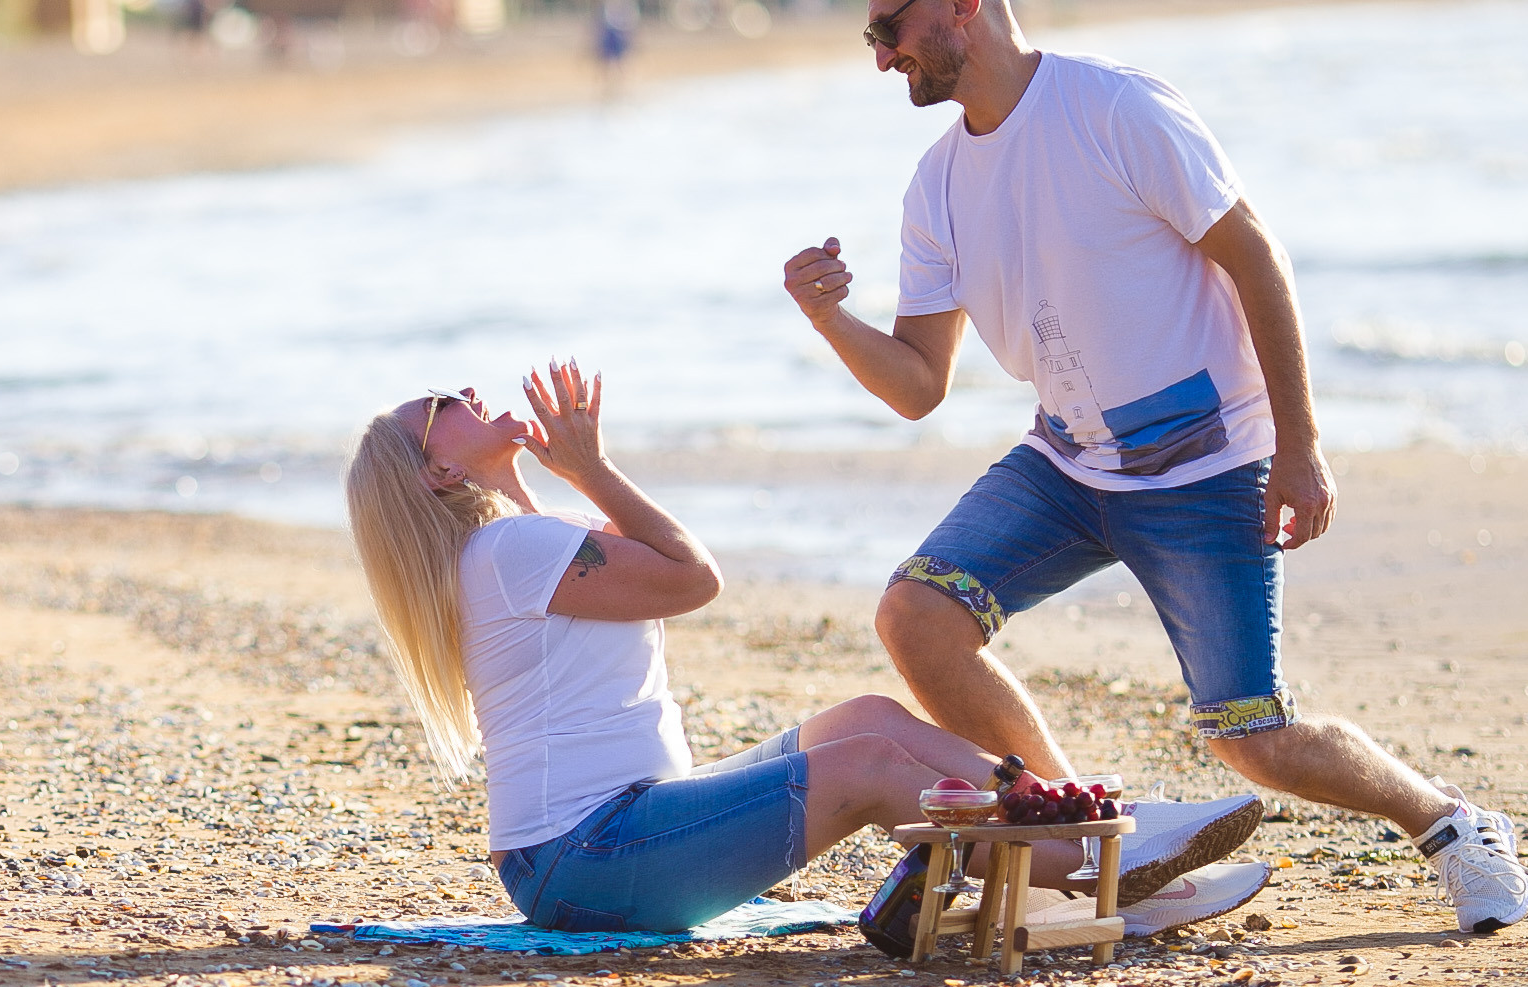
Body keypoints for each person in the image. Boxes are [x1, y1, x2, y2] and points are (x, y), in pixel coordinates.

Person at [779, 0, 1528, 934]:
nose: (880, 54)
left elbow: (1255, 258)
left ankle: (1454, 825)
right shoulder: (936, 185)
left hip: (1209, 466)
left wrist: (1301, 447)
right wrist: (831, 317)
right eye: (871, 34)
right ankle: (1100, 839)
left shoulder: (1113, 108)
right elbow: (919, 384)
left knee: (1253, 736)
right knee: (917, 616)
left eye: (890, 26)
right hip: (1065, 459)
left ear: (962, 1)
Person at [345, 360, 1264, 935]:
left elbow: (630, 570)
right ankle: (1102, 872)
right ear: (438, 469)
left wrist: (549, 482)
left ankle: (1083, 833)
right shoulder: (510, 550)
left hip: (603, 841)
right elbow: (690, 578)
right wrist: (590, 468)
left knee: (865, 717)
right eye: (442, 406)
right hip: (591, 854)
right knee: (864, 761)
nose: (466, 392)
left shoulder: (509, 549)